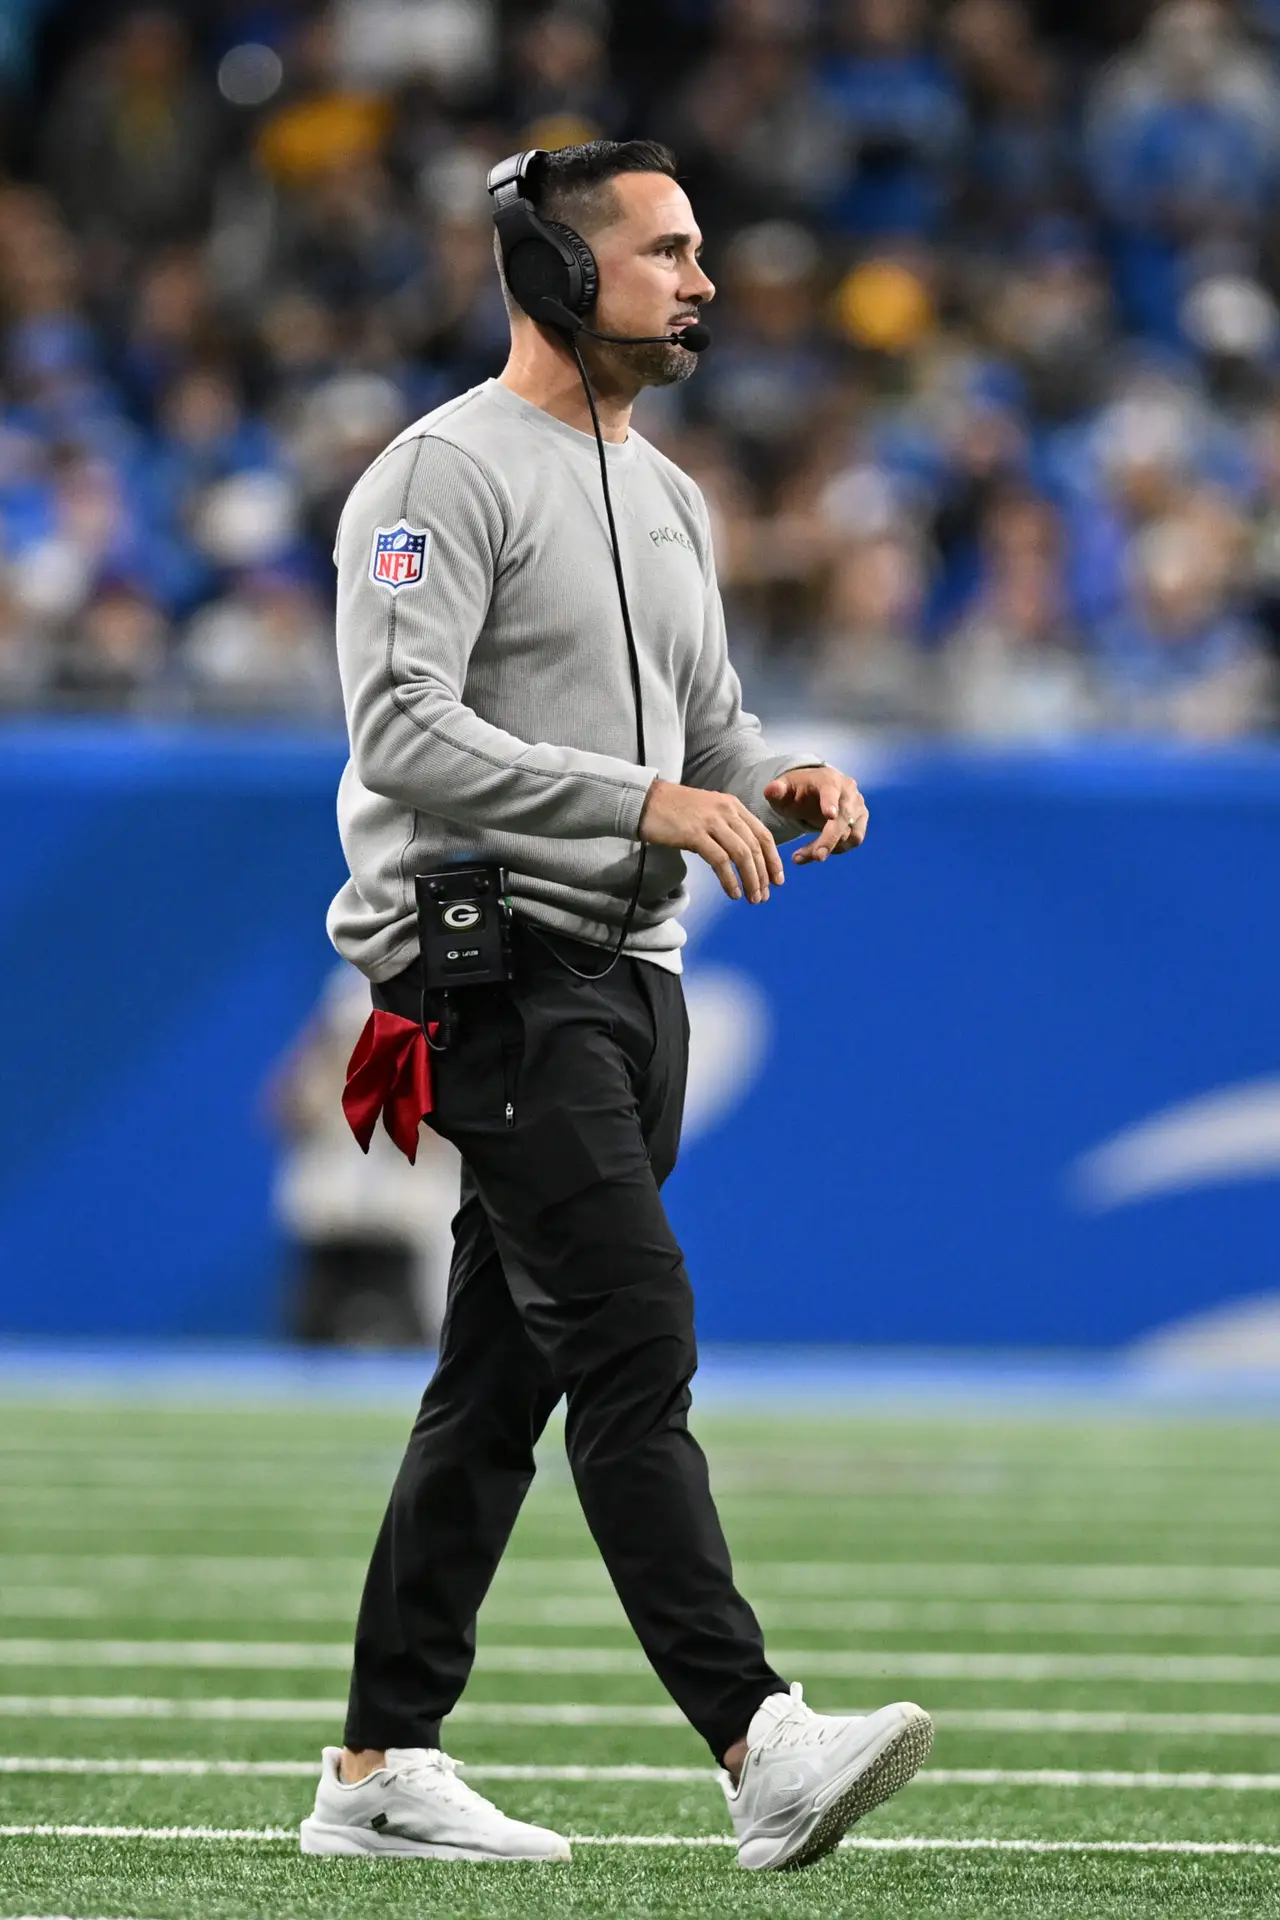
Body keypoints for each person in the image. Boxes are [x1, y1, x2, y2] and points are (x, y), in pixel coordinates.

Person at [300, 139, 932, 1875]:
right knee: (635, 1335)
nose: (702, 281)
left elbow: (700, 725)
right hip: (491, 965)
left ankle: (376, 1765)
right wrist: (646, 801)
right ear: (560, 275)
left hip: (624, 970)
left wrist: (773, 772)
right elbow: (402, 732)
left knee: (495, 1390)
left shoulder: (665, 492)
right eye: (665, 252)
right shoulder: (437, 471)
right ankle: (758, 1740)